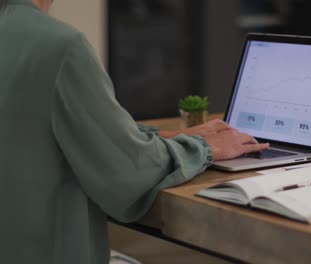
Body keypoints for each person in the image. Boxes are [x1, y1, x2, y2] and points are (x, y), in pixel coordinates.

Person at [0, 0, 269, 263]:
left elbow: (36, 125)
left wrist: (162, 136)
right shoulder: (61, 46)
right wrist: (204, 147)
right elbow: (127, 172)